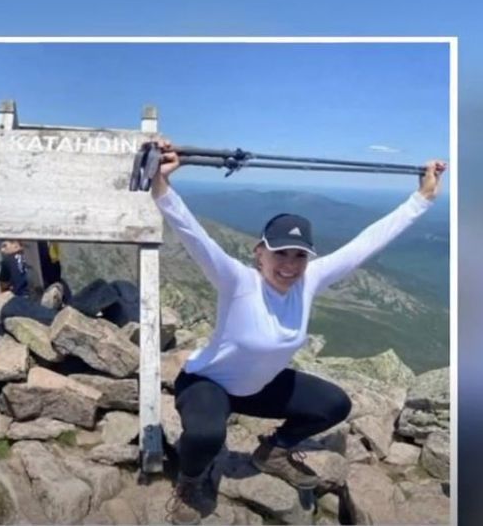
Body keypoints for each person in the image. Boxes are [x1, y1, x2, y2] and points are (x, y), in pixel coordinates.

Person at [152, 140, 447, 524]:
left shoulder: (310, 281)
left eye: (299, 255)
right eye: (280, 253)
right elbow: (192, 233)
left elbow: (367, 243)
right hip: (208, 384)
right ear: (260, 252)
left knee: (335, 404)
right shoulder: (237, 281)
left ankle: (274, 451)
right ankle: (190, 480)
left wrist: (422, 198)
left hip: (261, 387)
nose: (290, 265)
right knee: (208, 436)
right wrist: (161, 185)